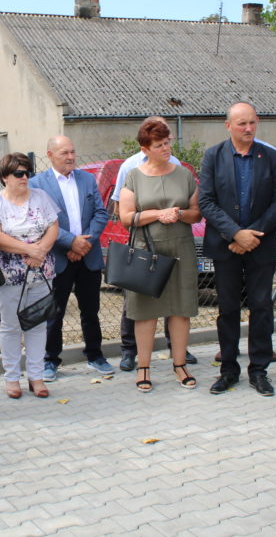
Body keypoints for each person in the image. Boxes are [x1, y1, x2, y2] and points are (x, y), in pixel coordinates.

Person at [199, 102, 276, 397]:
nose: (248, 129)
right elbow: (206, 202)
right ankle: (228, 370)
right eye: (242, 124)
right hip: (226, 247)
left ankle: (259, 370)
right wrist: (236, 234)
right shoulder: (213, 156)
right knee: (228, 309)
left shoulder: (269, 156)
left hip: (260, 246)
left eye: (252, 122)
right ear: (229, 126)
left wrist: (253, 235)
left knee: (261, 307)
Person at [118, 119, 202, 392]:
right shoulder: (134, 176)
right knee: (145, 312)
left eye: (167, 143)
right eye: (159, 145)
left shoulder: (184, 174)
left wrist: (178, 213)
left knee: (180, 308)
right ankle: (143, 367)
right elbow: (126, 217)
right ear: (145, 149)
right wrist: (157, 214)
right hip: (147, 249)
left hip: (181, 247)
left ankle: (180, 365)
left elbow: (196, 213)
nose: (166, 148)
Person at [30, 136, 113, 381]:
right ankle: (50, 360)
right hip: (58, 258)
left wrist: (84, 244)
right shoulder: (37, 184)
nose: (70, 157)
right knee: (54, 313)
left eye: (73, 152)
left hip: (88, 255)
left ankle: (95, 355)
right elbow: (40, 221)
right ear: (50, 155)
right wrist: (70, 242)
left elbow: (100, 213)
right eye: (64, 153)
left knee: (91, 310)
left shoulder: (87, 179)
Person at [0, 153, 60, 399]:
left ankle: (36, 376)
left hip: (41, 271)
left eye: (27, 172)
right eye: (18, 173)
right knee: (11, 326)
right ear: (5, 177)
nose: (24, 177)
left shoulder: (41, 197)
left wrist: (40, 251)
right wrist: (29, 250)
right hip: (9, 275)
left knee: (38, 324)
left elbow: (53, 227)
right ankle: (12, 378)